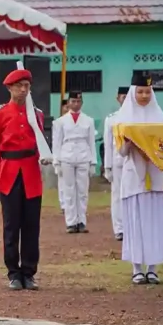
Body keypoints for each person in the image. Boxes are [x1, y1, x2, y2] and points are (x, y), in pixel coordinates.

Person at [0, 67, 45, 291]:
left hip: (31, 171)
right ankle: (13, 272)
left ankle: (29, 272)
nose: (23, 90)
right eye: (19, 86)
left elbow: (40, 142)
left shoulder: (36, 114)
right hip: (9, 172)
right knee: (11, 225)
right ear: (10, 88)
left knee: (32, 225)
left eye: (27, 86)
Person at [115, 72, 163, 285]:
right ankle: (137, 267)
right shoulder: (123, 118)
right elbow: (120, 152)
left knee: (155, 222)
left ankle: (153, 268)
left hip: (156, 177)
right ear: (133, 92)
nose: (144, 95)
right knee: (135, 222)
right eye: (140, 91)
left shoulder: (160, 118)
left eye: (147, 91)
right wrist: (129, 142)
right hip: (134, 178)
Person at [53, 91, 96, 233]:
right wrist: (56, 162)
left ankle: (81, 221)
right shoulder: (60, 121)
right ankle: (71, 222)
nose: (76, 104)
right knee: (69, 190)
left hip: (84, 155)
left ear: (81, 103)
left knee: (82, 191)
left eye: (78, 101)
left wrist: (93, 163)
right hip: (66, 156)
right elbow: (57, 143)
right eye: (73, 101)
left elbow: (91, 142)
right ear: (68, 103)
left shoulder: (88, 120)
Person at [103, 86, 129, 240]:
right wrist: (107, 166)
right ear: (118, 98)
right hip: (118, 161)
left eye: (128, 96)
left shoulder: (137, 117)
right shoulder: (112, 119)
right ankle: (119, 228)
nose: (125, 99)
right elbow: (108, 144)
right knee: (118, 195)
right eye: (122, 97)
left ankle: (131, 227)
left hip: (134, 162)